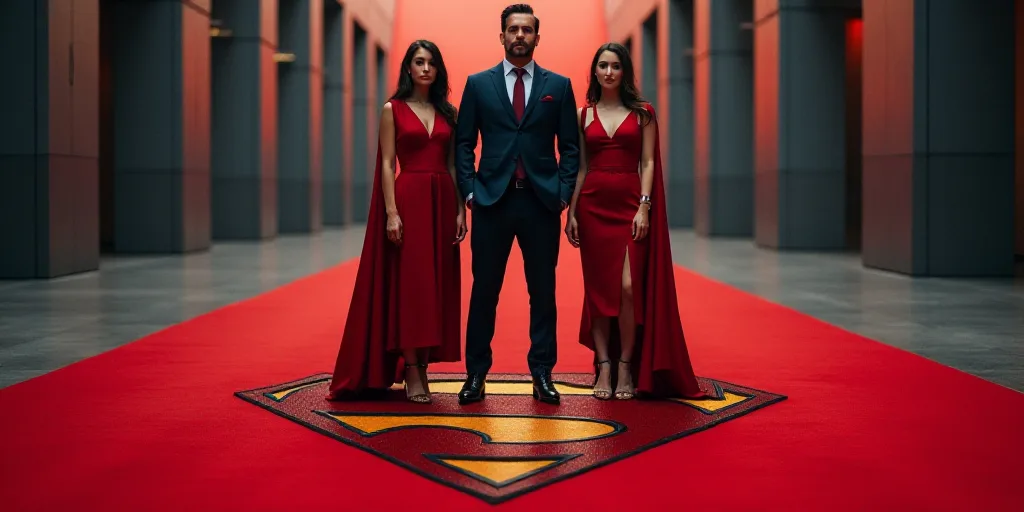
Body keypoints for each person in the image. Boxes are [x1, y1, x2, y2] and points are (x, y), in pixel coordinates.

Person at [565, 43, 711, 401]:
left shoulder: (644, 113)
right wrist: (571, 211)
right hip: (593, 205)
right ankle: (604, 365)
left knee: (629, 288)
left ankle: (626, 364)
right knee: (599, 292)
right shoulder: (584, 115)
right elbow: (582, 167)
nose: (609, 72)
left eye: (616, 66)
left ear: (624, 71)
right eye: (603, 65)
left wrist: (644, 206)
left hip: (631, 203)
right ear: (595, 71)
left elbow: (647, 163)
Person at [326, 40, 466, 404]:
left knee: (435, 286)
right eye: (419, 62)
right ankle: (412, 369)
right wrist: (391, 212)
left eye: (431, 63)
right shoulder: (393, 109)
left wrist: (460, 210)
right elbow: (388, 162)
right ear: (408, 67)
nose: (425, 68)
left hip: (442, 200)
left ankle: (424, 364)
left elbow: (452, 165)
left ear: (438, 71)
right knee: (412, 287)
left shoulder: (448, 112)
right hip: (409, 200)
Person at [455, 3, 580, 405]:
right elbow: (463, 143)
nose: (520, 35)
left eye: (527, 30)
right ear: (502, 36)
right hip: (492, 203)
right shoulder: (478, 84)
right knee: (484, 292)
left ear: (537, 37)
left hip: (541, 204)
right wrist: (471, 192)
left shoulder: (558, 86)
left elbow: (571, 148)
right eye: (513, 29)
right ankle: (476, 374)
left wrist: (562, 195)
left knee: (543, 292)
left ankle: (542, 373)